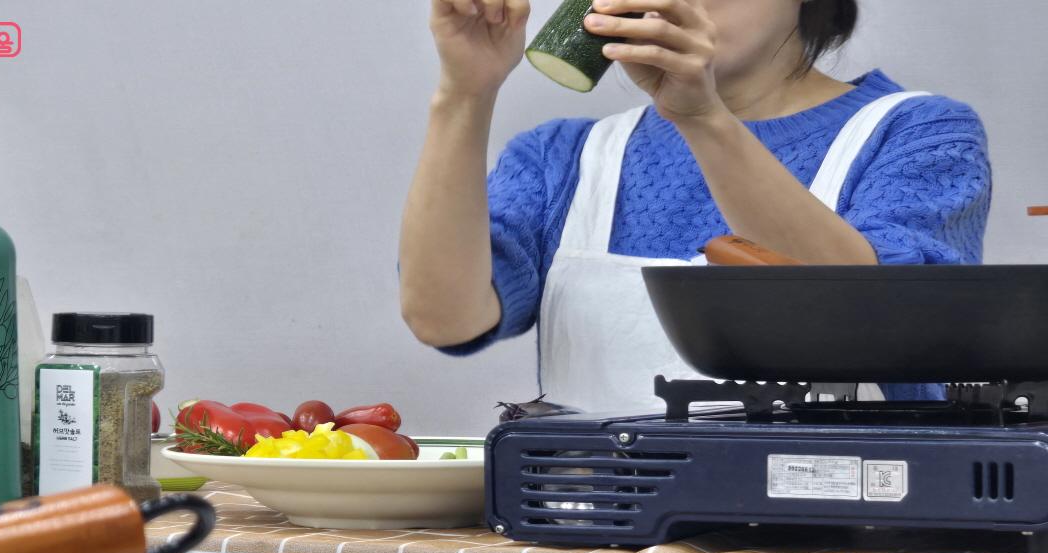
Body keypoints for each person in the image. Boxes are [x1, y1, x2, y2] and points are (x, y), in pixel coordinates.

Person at [398, 0, 992, 411]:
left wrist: (703, 119)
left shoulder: (919, 132)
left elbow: (880, 314)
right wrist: (464, 93)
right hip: (595, 530)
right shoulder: (563, 158)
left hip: (829, 540)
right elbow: (444, 317)